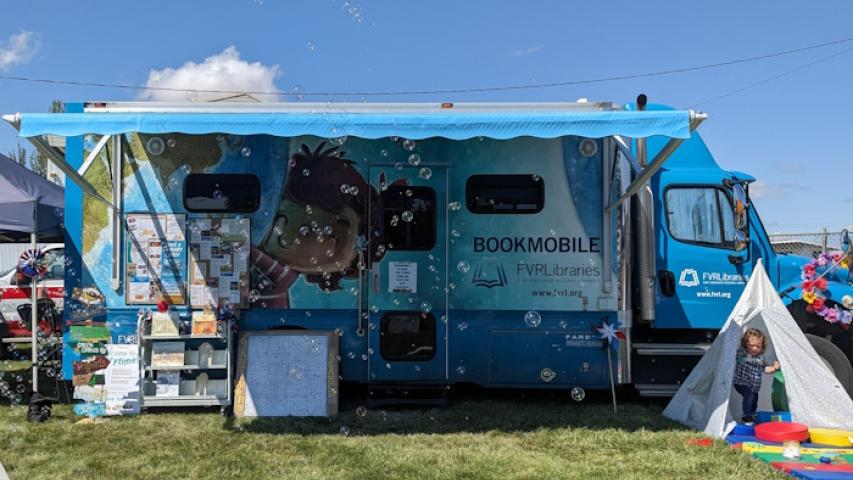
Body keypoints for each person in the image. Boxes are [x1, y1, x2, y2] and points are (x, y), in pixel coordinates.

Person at [733, 328, 780, 425]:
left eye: (758, 346)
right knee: (749, 395)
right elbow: (737, 356)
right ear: (746, 344)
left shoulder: (761, 357)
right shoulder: (742, 352)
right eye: (752, 345)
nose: (755, 348)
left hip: (754, 386)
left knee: (754, 399)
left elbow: (766, 369)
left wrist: (774, 368)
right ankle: (746, 416)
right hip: (741, 382)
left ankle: (752, 414)